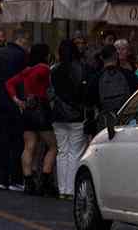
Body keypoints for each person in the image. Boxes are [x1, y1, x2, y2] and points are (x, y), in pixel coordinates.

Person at [6, 42, 57, 196]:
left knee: (29, 146)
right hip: (41, 108)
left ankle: (28, 181)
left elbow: (9, 83)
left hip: (28, 107)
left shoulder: (27, 70)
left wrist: (17, 100)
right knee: (53, 146)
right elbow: (49, 87)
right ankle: (46, 180)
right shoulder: (44, 69)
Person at [49, 39, 93, 200]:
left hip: (58, 115)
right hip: (77, 115)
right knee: (76, 152)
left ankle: (62, 189)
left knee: (62, 152)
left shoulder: (53, 69)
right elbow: (85, 93)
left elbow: (51, 93)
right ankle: (71, 189)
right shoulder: (83, 68)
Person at [0, 30, 28, 192]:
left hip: (0, 103)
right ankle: (15, 179)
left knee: (3, 142)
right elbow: (23, 82)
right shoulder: (20, 56)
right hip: (16, 103)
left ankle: (2, 178)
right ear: (22, 41)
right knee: (17, 142)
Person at [91, 44, 138, 114]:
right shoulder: (128, 75)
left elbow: (89, 103)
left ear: (101, 57)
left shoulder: (95, 78)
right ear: (116, 55)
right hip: (126, 120)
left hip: (105, 121)